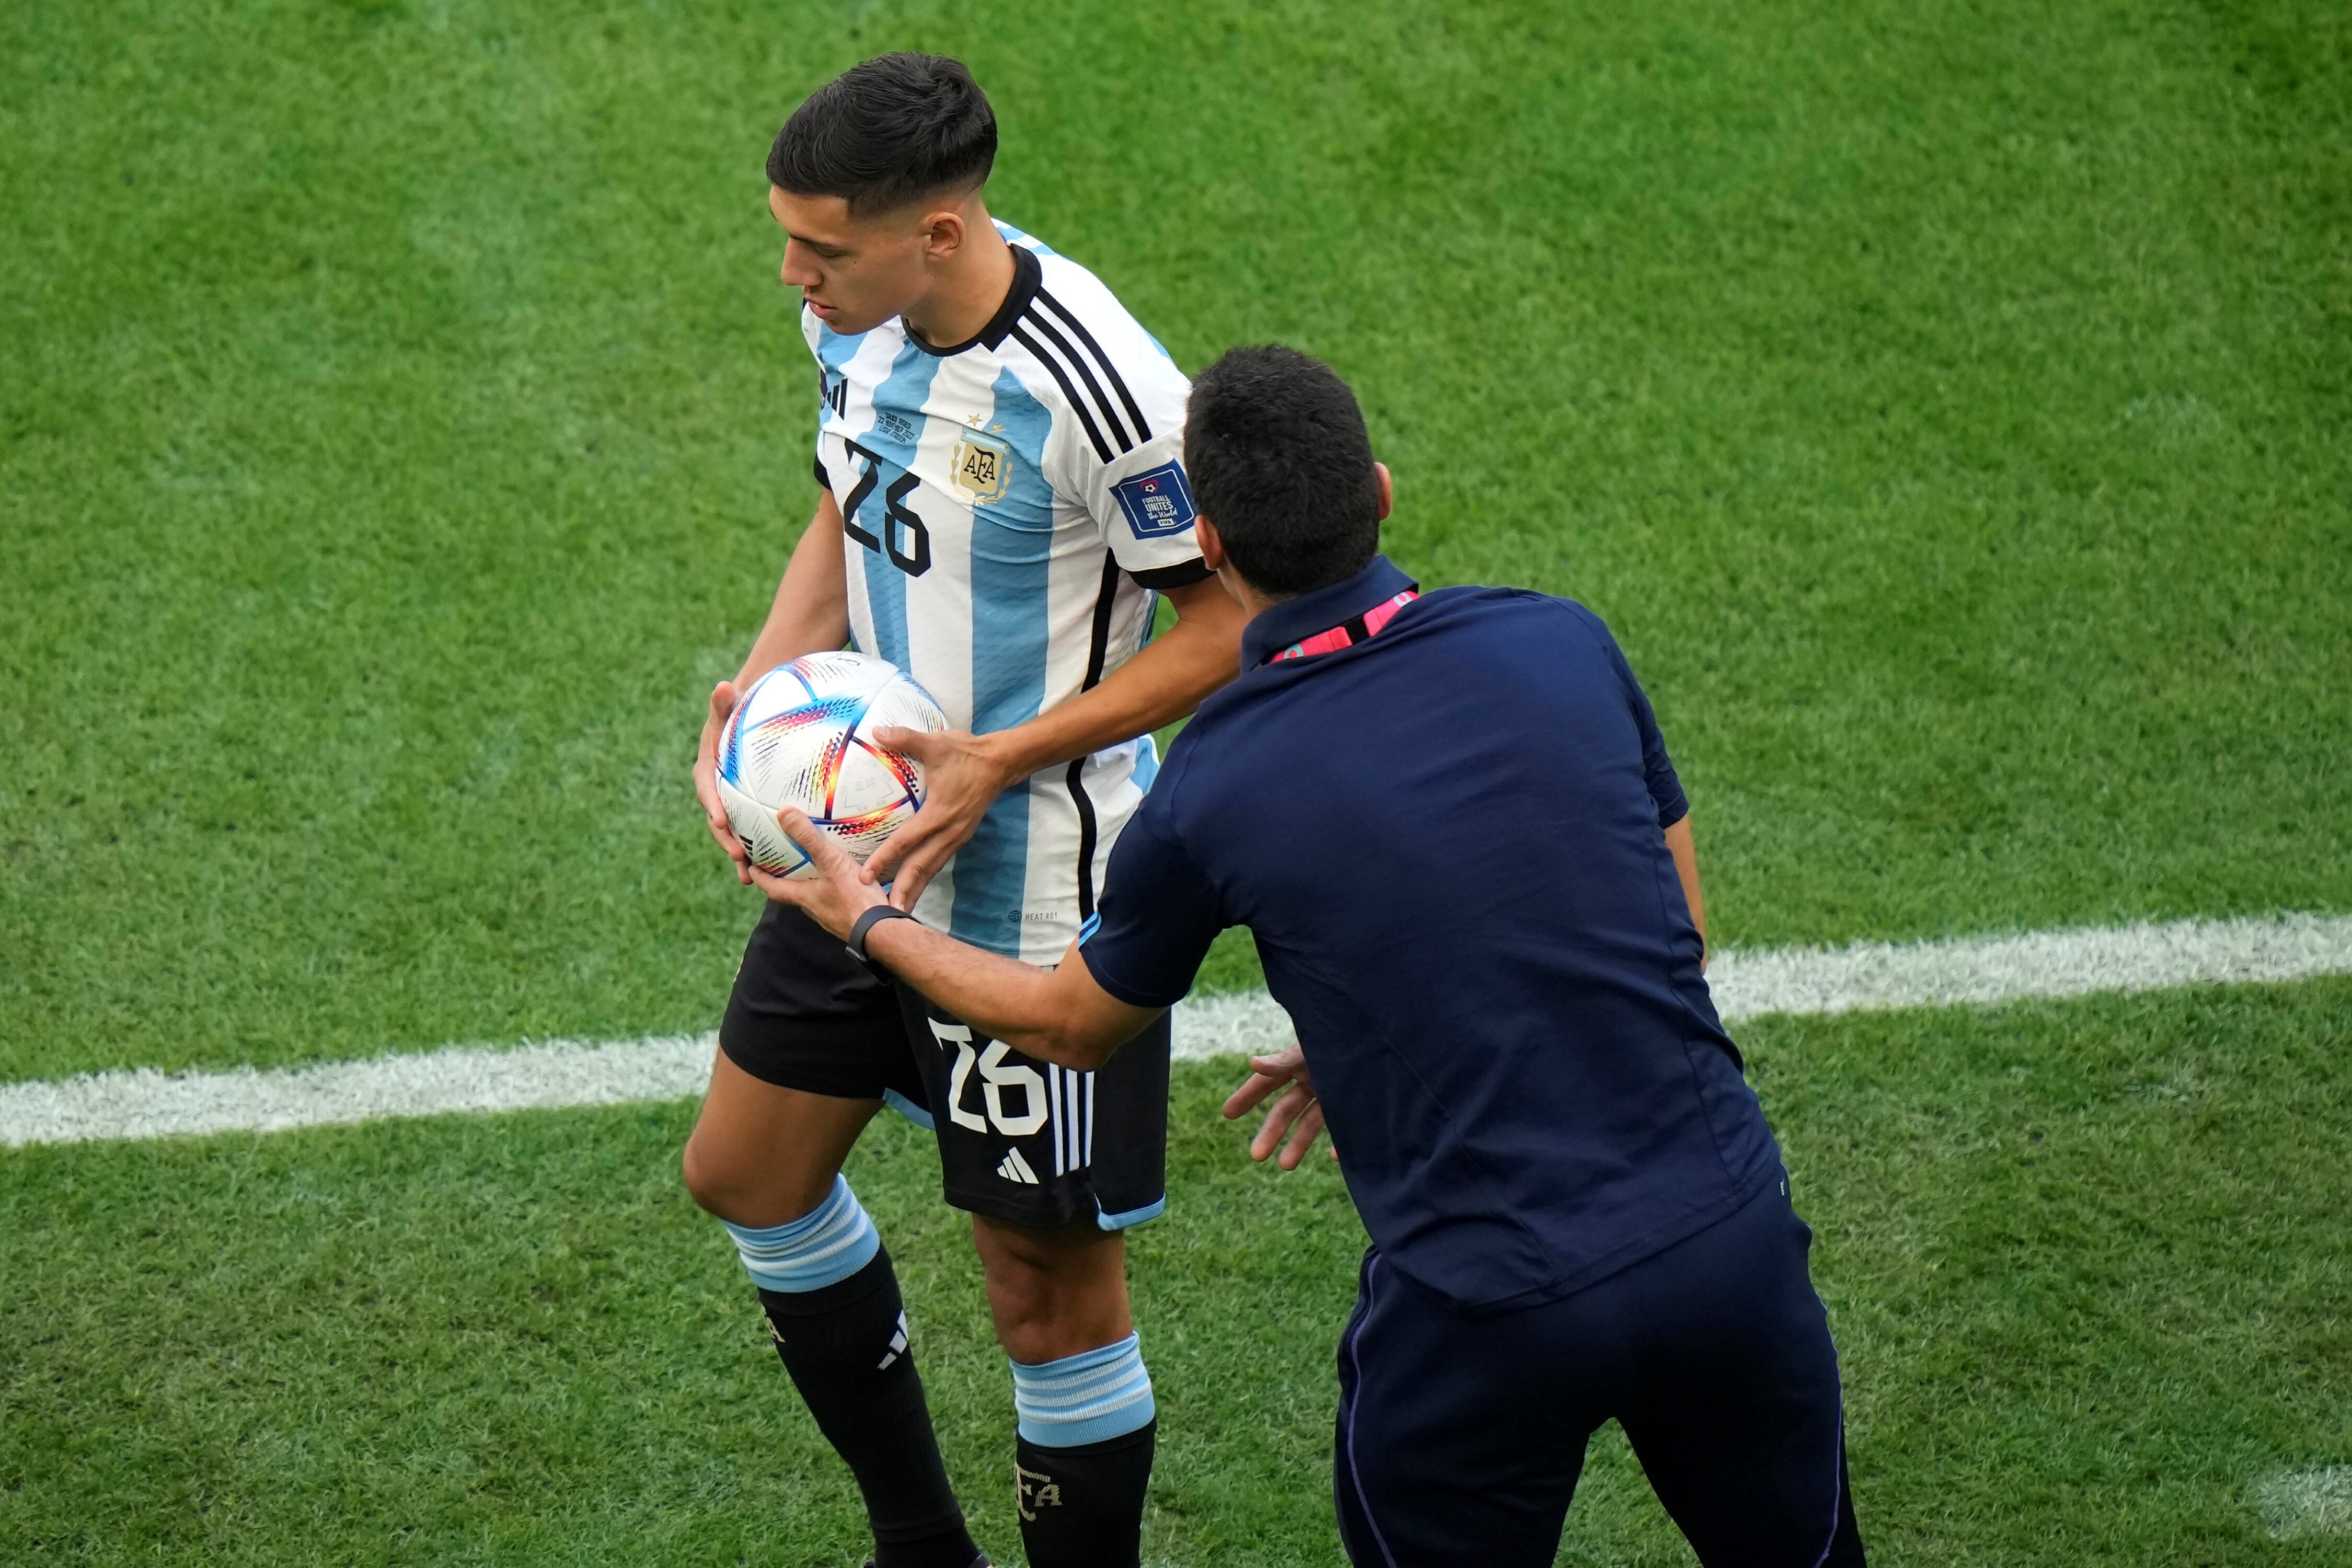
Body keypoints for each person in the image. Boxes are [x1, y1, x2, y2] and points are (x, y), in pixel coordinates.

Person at [748, 345, 1870, 1566]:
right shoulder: (1563, 641)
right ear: (1382, 493)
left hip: (1486, 1317)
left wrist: (869, 920)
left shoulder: (1221, 782)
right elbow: (1676, 938)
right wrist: (1392, 1016)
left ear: (1210, 549)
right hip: (1732, 1255)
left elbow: (1070, 1024)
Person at [682, 54, 1249, 1568]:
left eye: (823, 247)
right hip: (852, 849)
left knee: (1039, 1289)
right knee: (744, 1173)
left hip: (1034, 896)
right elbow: (841, 497)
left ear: (937, 231)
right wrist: (753, 706)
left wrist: (1004, 755)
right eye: (787, 239)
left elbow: (1222, 625)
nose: (794, 275)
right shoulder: (847, 325)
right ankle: (919, 1543)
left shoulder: (1102, 383)